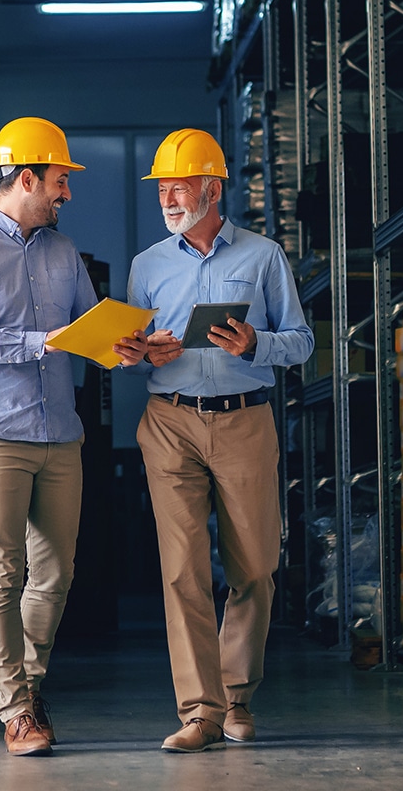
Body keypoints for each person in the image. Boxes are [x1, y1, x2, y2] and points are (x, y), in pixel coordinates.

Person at [0, 116, 147, 757]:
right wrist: (38, 341)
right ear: (25, 178)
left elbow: (90, 332)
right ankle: (17, 709)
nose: (66, 194)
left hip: (61, 434)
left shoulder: (63, 253)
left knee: (55, 572)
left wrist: (129, 347)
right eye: (59, 181)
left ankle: (28, 686)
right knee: (1, 572)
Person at [126, 128, 315, 753]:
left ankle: (239, 697)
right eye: (163, 189)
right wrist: (141, 351)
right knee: (182, 569)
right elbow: (130, 347)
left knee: (255, 565)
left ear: (214, 188)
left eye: (180, 188)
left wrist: (255, 343)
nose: (169, 199)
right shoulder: (147, 266)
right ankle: (201, 712)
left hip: (244, 419)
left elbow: (302, 340)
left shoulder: (262, 257)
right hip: (169, 420)